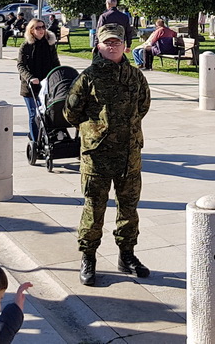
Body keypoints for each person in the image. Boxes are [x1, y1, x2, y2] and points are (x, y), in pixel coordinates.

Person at [63, 23, 151, 286]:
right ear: (98, 46)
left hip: (129, 155)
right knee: (94, 209)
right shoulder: (87, 77)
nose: (112, 47)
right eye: (107, 43)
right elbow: (71, 113)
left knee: (129, 209)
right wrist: (96, 130)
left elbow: (143, 106)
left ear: (125, 46)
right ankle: (88, 257)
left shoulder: (135, 76)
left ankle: (127, 255)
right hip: (97, 156)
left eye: (116, 42)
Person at [17, 18, 60, 142]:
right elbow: (20, 65)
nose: (41, 30)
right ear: (31, 30)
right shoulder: (26, 46)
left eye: (43, 27)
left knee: (47, 113)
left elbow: (55, 62)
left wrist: (58, 75)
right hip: (30, 86)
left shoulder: (50, 44)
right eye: (37, 28)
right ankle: (36, 141)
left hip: (46, 85)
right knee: (34, 114)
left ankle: (47, 136)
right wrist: (30, 78)